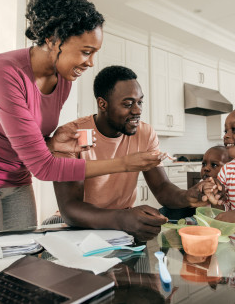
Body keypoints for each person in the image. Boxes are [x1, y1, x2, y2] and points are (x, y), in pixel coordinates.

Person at [0, 0, 164, 234]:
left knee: (24, 256)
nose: (91, 63)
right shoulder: (3, 73)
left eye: (94, 53)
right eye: (85, 52)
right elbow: (44, 168)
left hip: (17, 179)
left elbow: (25, 140)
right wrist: (124, 163)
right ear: (53, 40)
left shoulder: (64, 80)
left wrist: (51, 142)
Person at [53, 65, 214, 241]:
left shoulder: (145, 133)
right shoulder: (72, 135)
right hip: (82, 225)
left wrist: (187, 196)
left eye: (140, 102)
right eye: (128, 104)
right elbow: (70, 209)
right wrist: (122, 218)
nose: (137, 110)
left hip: (124, 223)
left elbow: (162, 188)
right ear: (102, 104)